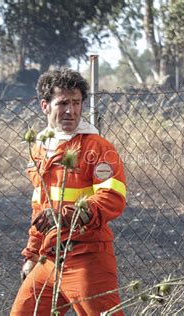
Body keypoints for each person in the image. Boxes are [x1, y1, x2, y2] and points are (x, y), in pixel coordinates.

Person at [11, 68, 126, 315]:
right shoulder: (41, 149)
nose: (70, 111)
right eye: (63, 103)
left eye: (76, 103)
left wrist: (65, 214)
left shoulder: (98, 148)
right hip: (49, 259)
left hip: (86, 257)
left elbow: (112, 199)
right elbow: (40, 208)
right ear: (45, 106)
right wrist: (32, 253)